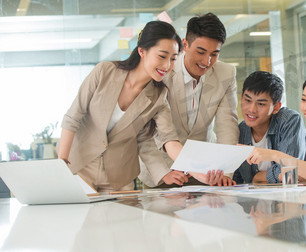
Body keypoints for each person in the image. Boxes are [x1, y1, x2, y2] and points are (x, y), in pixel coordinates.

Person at [58, 21, 222, 193]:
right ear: (142, 51)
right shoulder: (104, 72)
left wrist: (198, 172)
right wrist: (62, 161)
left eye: (173, 59)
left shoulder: (159, 96)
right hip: (80, 167)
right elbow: (73, 117)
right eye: (162, 56)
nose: (167, 66)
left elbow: (169, 141)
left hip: (119, 178)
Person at [138, 13, 239, 187]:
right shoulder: (162, 72)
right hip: (163, 170)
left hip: (206, 171)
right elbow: (149, 131)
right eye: (201, 52)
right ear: (185, 44)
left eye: (214, 54)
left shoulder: (226, 74)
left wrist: (225, 171)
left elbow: (227, 126)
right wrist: (163, 173)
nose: (206, 61)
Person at [233, 71, 306, 184]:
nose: (251, 109)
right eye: (247, 100)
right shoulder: (240, 131)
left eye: (261, 104)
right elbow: (237, 179)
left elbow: (291, 170)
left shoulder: (289, 121)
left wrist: (257, 178)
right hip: (255, 200)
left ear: (276, 107)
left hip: (292, 198)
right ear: (241, 97)